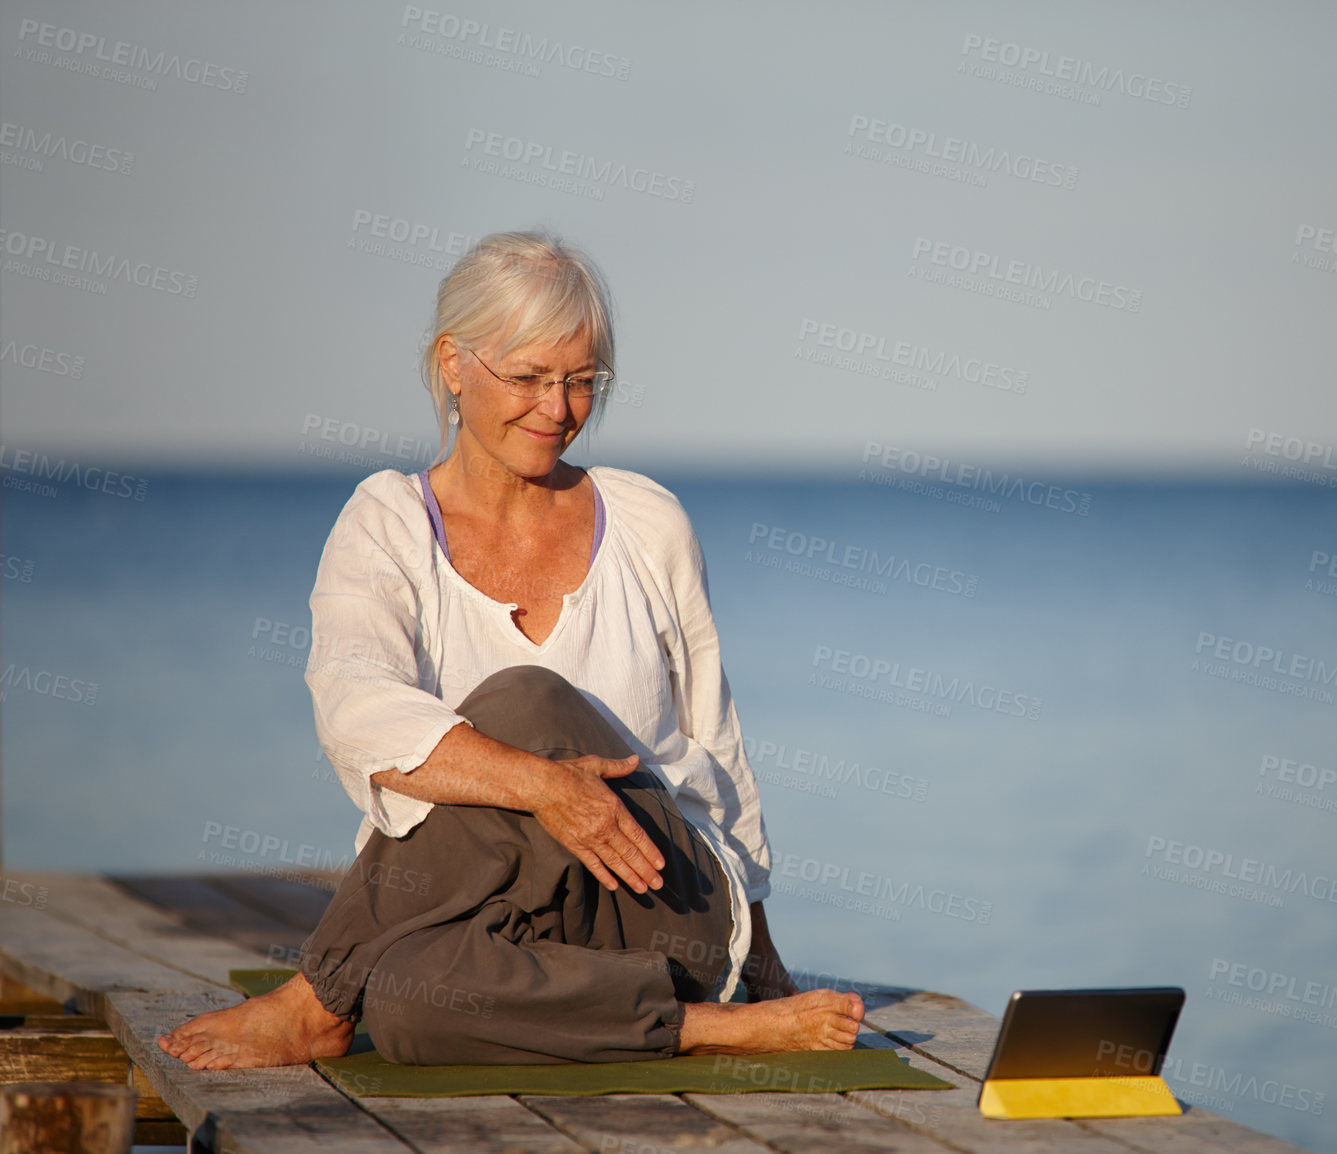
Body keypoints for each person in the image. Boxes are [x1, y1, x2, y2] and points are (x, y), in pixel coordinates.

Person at [157, 230, 864, 1069]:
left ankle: (316, 999)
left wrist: (764, 963)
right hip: (486, 917)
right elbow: (355, 708)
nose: (559, 409)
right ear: (454, 364)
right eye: (529, 378)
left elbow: (718, 746)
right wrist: (542, 788)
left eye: (580, 382)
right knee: (409, 1006)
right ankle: (699, 1030)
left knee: (525, 699)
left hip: (658, 899)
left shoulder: (647, 524)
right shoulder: (386, 525)